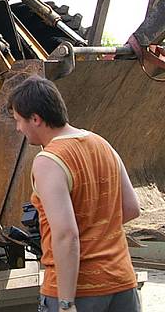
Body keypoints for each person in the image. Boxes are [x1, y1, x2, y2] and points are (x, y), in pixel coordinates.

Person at [8, 74, 141, 312]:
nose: (18, 128)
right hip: (122, 283)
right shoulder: (102, 144)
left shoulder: (49, 160)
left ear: (36, 119)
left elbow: (66, 235)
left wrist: (66, 302)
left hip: (80, 291)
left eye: (19, 120)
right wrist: (98, 228)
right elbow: (131, 208)